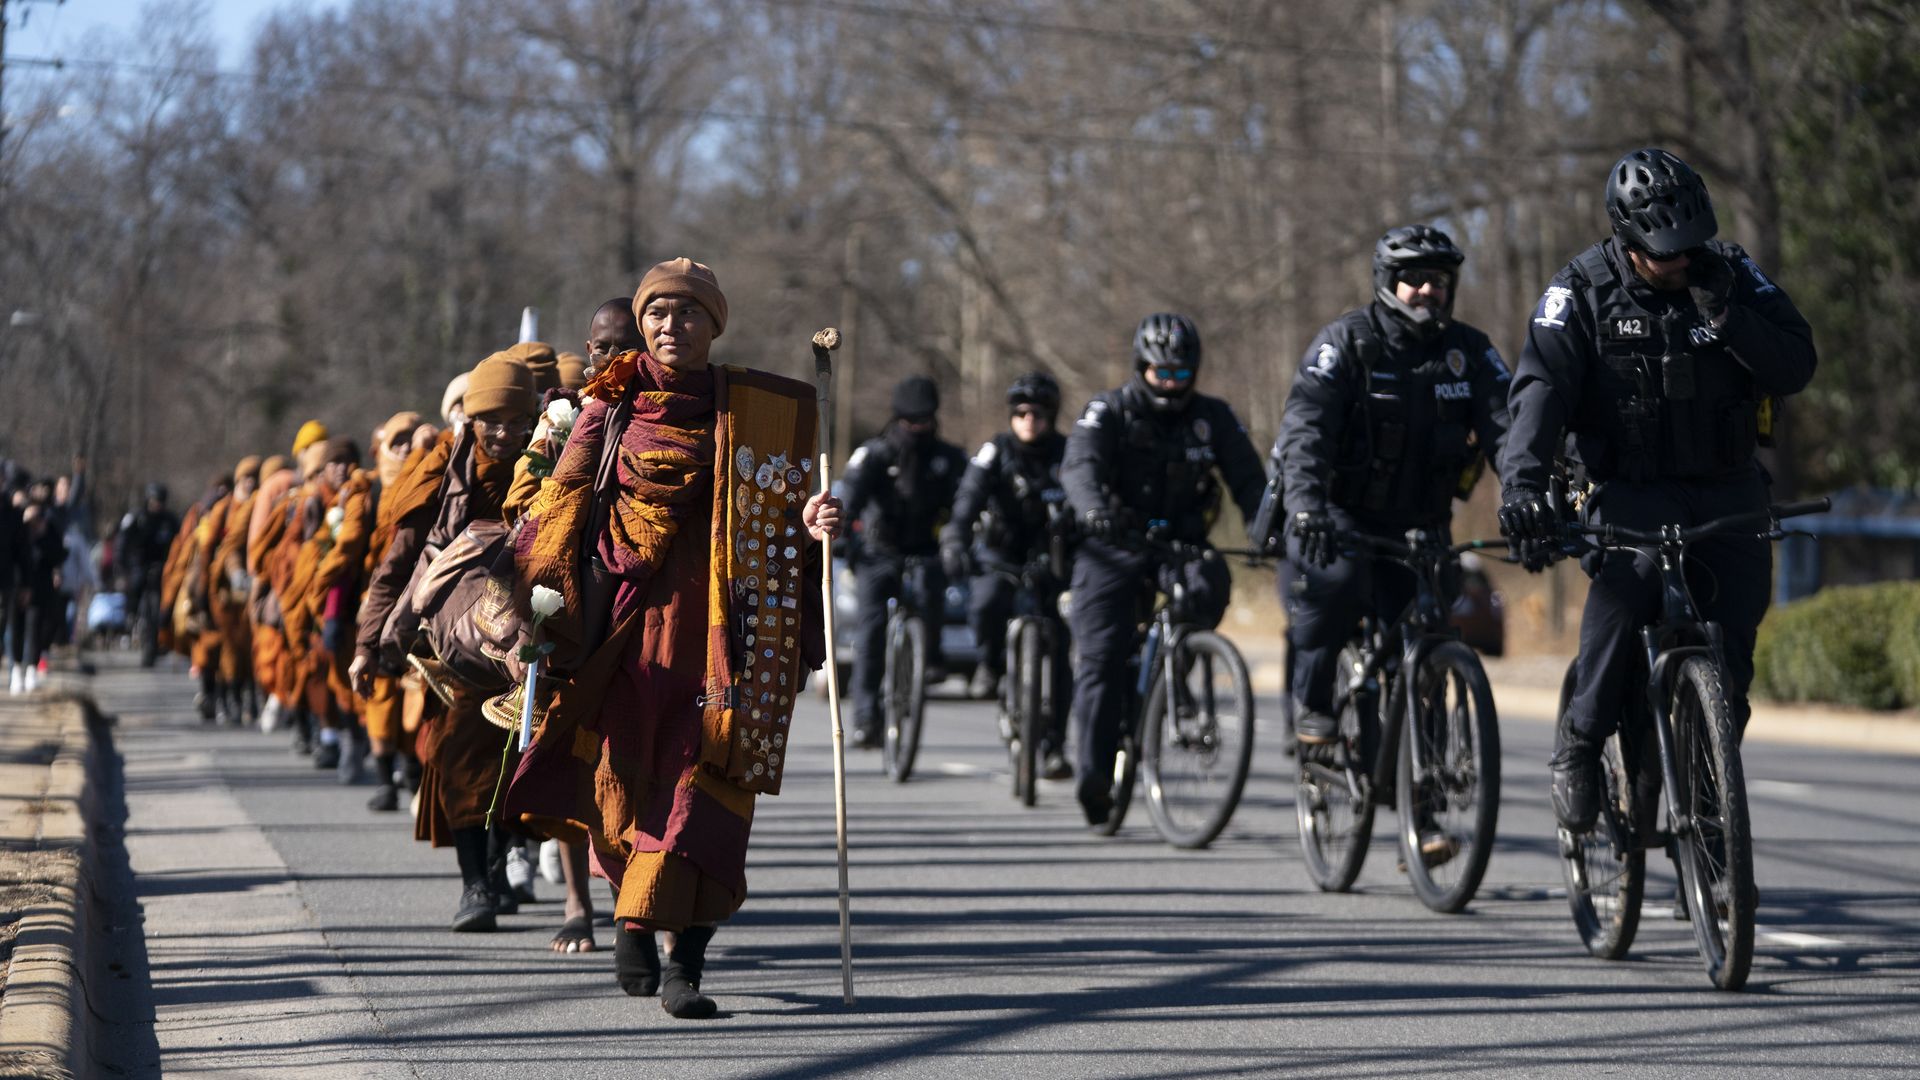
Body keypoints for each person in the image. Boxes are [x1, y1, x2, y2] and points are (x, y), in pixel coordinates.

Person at [504, 257, 843, 1019]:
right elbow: (558, 507)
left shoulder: (752, 413)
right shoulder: (611, 408)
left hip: (724, 635)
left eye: (688, 314)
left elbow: (781, 516)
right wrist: (535, 611)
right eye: (658, 313)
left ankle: (686, 963)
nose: (670, 326)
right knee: (622, 783)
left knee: (708, 786)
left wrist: (813, 521)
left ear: (713, 325)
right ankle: (632, 916)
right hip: (626, 632)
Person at [1497, 148, 1817, 833]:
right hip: (1627, 492)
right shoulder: (1578, 292)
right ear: (1627, 239)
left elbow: (1796, 363)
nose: (1678, 263)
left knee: (1731, 661)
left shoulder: (1730, 274)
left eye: (1688, 248)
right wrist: (1522, 487)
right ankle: (1581, 742)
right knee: (1631, 582)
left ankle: (1706, 805)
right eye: (1663, 253)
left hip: (1728, 486)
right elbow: (1537, 395)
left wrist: (1730, 317)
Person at [1276, 225, 1511, 761]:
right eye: (1414, 280)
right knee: (1335, 583)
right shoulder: (1346, 342)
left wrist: (1527, 500)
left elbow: (1507, 429)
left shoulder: (1470, 352)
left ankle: (1424, 809)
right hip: (1338, 514)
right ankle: (1313, 703)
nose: (1428, 290)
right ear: (1388, 282)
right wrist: (1307, 506)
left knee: (1432, 634)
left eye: (1439, 280)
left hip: (1420, 522)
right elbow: (1305, 432)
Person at [355, 352, 539, 933]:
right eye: (493, 421)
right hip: (456, 641)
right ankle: (475, 884)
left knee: (526, 756)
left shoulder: (554, 460)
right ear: (471, 420)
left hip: (534, 632)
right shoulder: (441, 471)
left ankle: (508, 861)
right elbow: (399, 561)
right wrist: (368, 642)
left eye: (518, 421)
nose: (506, 434)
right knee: (463, 756)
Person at [1060, 313, 1266, 827]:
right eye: (1161, 374)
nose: (1171, 385)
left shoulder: (1212, 416)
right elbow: (1079, 466)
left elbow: (1249, 479)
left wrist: (1268, 530)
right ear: (1141, 368)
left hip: (1180, 543)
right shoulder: (1108, 411)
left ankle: (1176, 668)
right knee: (1103, 660)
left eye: (1181, 375)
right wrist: (1091, 509)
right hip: (1112, 544)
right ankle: (1094, 775)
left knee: (1209, 582)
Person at [940, 371, 1074, 778]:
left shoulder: (1069, 453)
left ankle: (1053, 747)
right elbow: (968, 497)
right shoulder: (995, 451)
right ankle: (992, 665)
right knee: (985, 601)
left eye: (1037, 412)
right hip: (1000, 557)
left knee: (1062, 649)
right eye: (1020, 412)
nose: (1028, 419)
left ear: (1050, 414)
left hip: (1051, 563)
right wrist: (954, 538)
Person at [838, 375, 968, 748]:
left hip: (926, 548)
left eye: (924, 421)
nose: (917, 428)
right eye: (910, 422)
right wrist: (846, 541)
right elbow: (851, 498)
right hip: (879, 552)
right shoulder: (875, 454)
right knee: (872, 627)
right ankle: (866, 718)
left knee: (932, 590)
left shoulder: (948, 458)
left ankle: (932, 655)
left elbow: (965, 504)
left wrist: (959, 540)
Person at [119, 483, 180, 666]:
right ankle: (130, 617)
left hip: (162, 568)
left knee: (166, 602)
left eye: (160, 502)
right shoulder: (136, 518)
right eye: (154, 501)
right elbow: (122, 544)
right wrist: (123, 567)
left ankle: (164, 632)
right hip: (139, 566)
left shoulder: (170, 521)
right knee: (135, 587)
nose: (157, 505)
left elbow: (179, 545)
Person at [8, 503, 65, 694]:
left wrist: (42, 536)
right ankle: (16, 669)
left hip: (40, 589)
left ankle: (32, 668)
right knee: (16, 629)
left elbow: (60, 554)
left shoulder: (49, 533)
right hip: (16, 586)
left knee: (35, 629)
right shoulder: (17, 531)